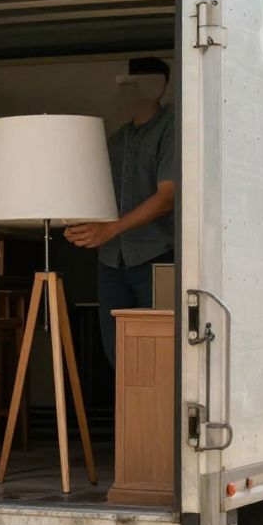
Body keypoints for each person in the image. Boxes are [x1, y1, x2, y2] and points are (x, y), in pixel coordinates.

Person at [64, 57, 176, 367]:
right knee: (118, 352)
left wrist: (110, 229)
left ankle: (157, 417)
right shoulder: (118, 140)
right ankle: (129, 416)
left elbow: (168, 196)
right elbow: (98, 196)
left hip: (157, 257)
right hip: (112, 261)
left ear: (157, 87)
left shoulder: (172, 129)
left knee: (159, 352)